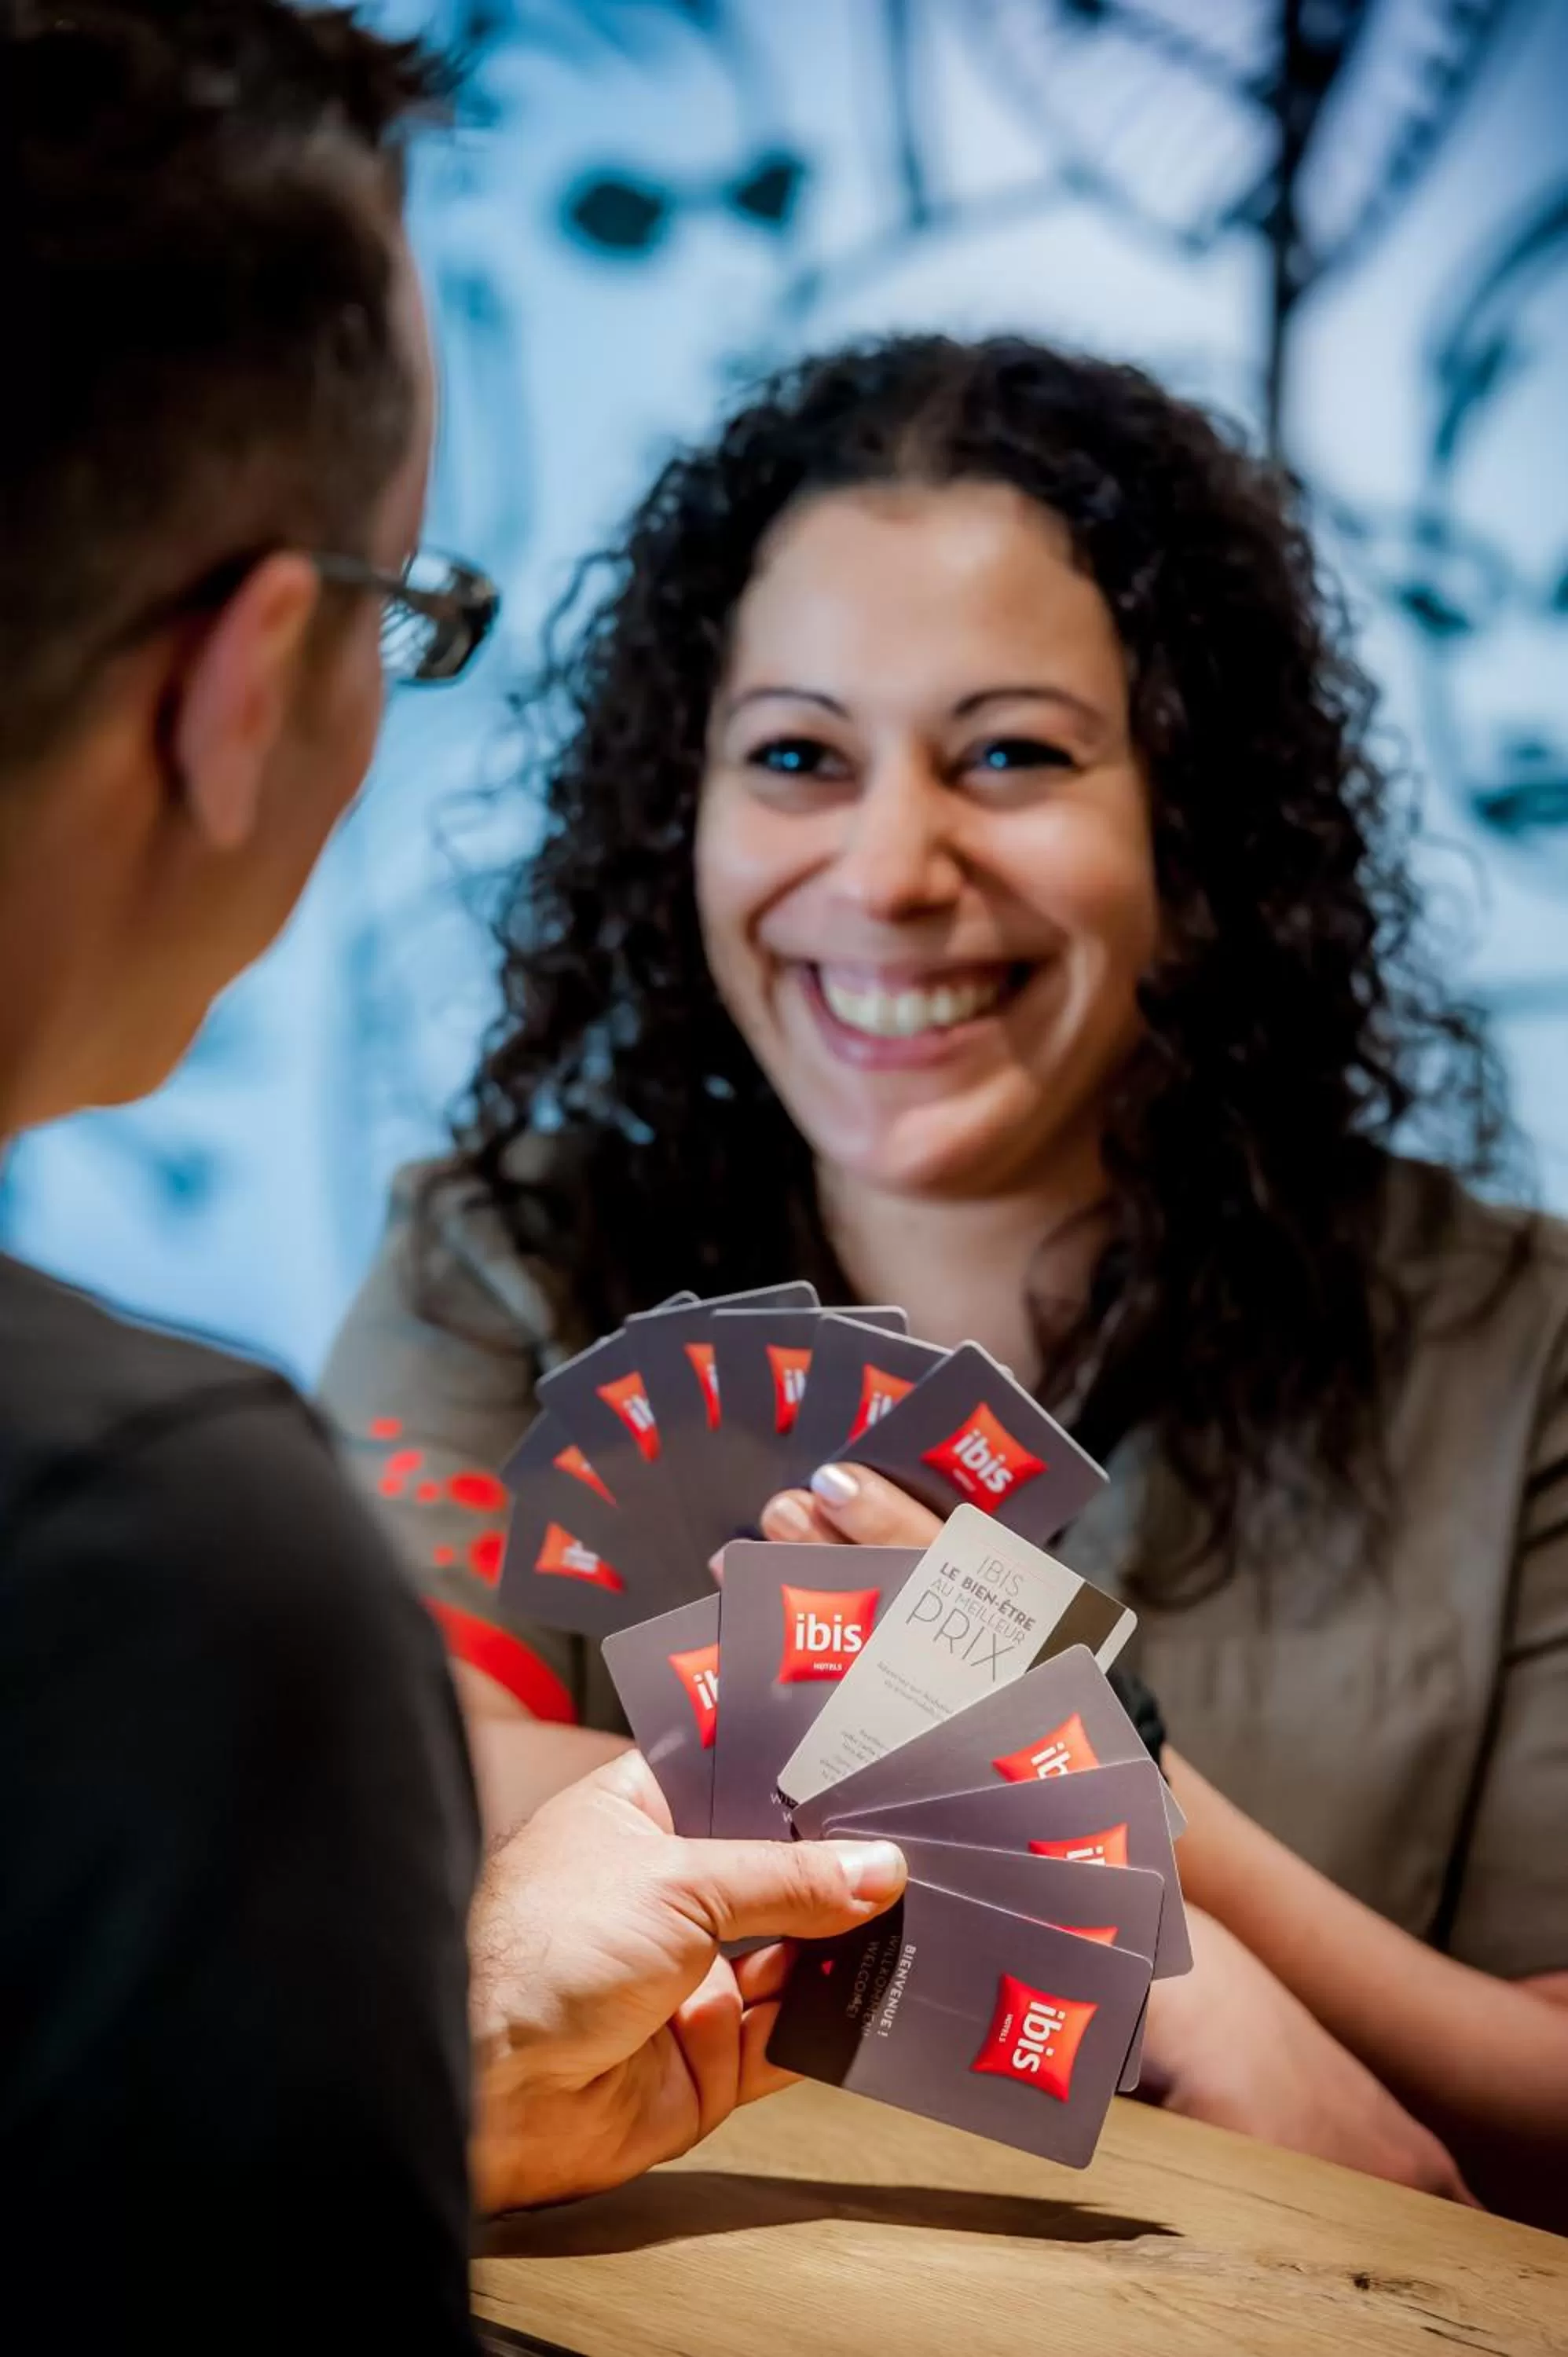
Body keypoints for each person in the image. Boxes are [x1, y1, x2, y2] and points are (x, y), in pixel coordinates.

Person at [323, 334, 1568, 2227]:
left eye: (1009, 754)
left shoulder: (1517, 1343)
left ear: (1195, 823)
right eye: (798, 757)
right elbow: (380, 1780)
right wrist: (1120, 1918)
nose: (889, 869)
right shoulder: (501, 1260)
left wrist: (1135, 1802)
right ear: (688, 811)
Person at [0, 7, 904, 2346]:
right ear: (248, 672)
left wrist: (445, 2064)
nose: (893, 876)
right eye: (412, 609)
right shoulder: (162, 1558)